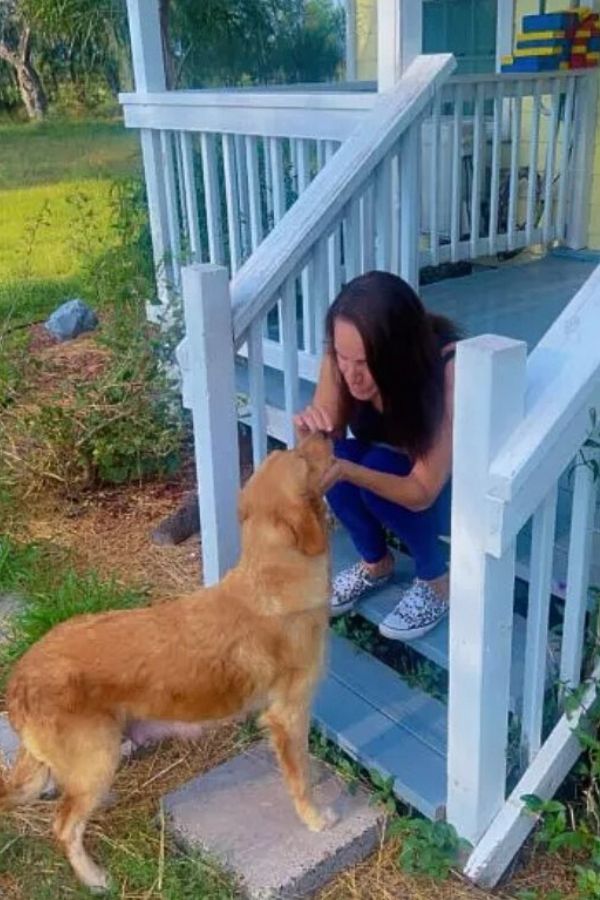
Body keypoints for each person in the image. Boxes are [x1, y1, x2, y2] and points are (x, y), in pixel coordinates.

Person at [294, 270, 461, 641]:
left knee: (369, 470)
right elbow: (324, 447)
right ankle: (376, 563)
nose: (351, 375)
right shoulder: (343, 358)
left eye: (365, 362)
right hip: (399, 478)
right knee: (341, 459)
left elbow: (423, 490)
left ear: (398, 353)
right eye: (342, 357)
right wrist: (309, 436)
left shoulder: (448, 369)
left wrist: (350, 471)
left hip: (456, 492)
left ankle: (436, 579)